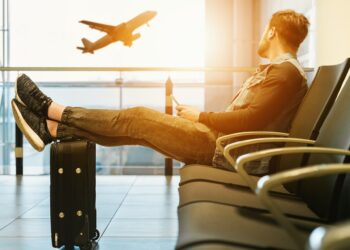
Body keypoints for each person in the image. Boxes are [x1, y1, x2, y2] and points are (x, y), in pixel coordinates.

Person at [12, 9, 309, 174]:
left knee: (138, 118)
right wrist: (201, 118)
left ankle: (52, 110)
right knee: (138, 130)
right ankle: (51, 129)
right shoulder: (282, 72)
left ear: (271, 31)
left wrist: (201, 116)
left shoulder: (284, 73)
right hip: (223, 145)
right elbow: (251, 119)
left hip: (225, 151)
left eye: (263, 31)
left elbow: (251, 120)